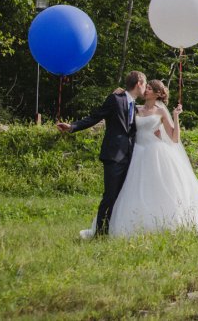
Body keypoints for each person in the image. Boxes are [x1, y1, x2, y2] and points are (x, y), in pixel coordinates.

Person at [80, 79, 198, 238]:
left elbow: (174, 138)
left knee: (158, 190)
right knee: (133, 190)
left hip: (155, 153)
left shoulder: (161, 110)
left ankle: (164, 223)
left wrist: (176, 116)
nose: (146, 89)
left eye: (149, 88)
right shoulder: (136, 108)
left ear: (157, 93)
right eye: (145, 86)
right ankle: (122, 225)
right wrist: (119, 92)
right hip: (137, 153)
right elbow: (124, 110)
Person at [57, 71, 145, 237]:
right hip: (113, 155)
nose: (146, 88)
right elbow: (95, 116)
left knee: (124, 196)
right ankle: (100, 233)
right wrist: (73, 126)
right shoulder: (115, 99)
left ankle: (117, 231)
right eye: (145, 84)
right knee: (110, 195)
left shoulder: (136, 106)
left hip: (130, 157)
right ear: (139, 83)